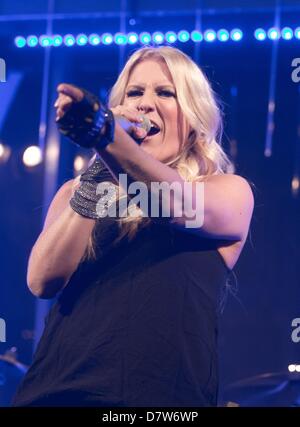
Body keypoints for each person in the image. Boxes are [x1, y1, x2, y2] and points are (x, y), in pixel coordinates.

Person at [12, 46, 254, 407]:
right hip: (53, 393)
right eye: (135, 92)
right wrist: (99, 167)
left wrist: (108, 139)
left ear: (192, 116)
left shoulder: (225, 190)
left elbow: (172, 203)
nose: (145, 104)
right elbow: (42, 279)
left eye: (165, 92)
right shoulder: (75, 191)